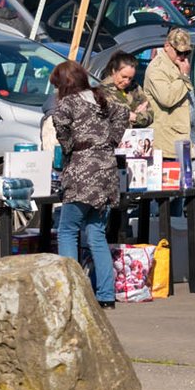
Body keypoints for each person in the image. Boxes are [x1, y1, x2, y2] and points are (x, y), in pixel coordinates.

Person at [48, 60, 122, 307]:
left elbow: (59, 124)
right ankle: (106, 295)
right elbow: (123, 112)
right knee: (96, 234)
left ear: (63, 84)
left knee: (68, 231)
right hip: (107, 173)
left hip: (82, 172)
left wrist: (68, 146)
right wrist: (111, 140)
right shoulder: (99, 97)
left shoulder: (68, 103)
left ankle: (71, 292)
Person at [145, 27, 195, 158]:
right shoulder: (157, 69)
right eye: (179, 52)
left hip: (180, 142)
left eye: (186, 53)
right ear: (167, 46)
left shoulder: (178, 65)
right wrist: (184, 75)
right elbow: (167, 98)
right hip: (166, 146)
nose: (183, 57)